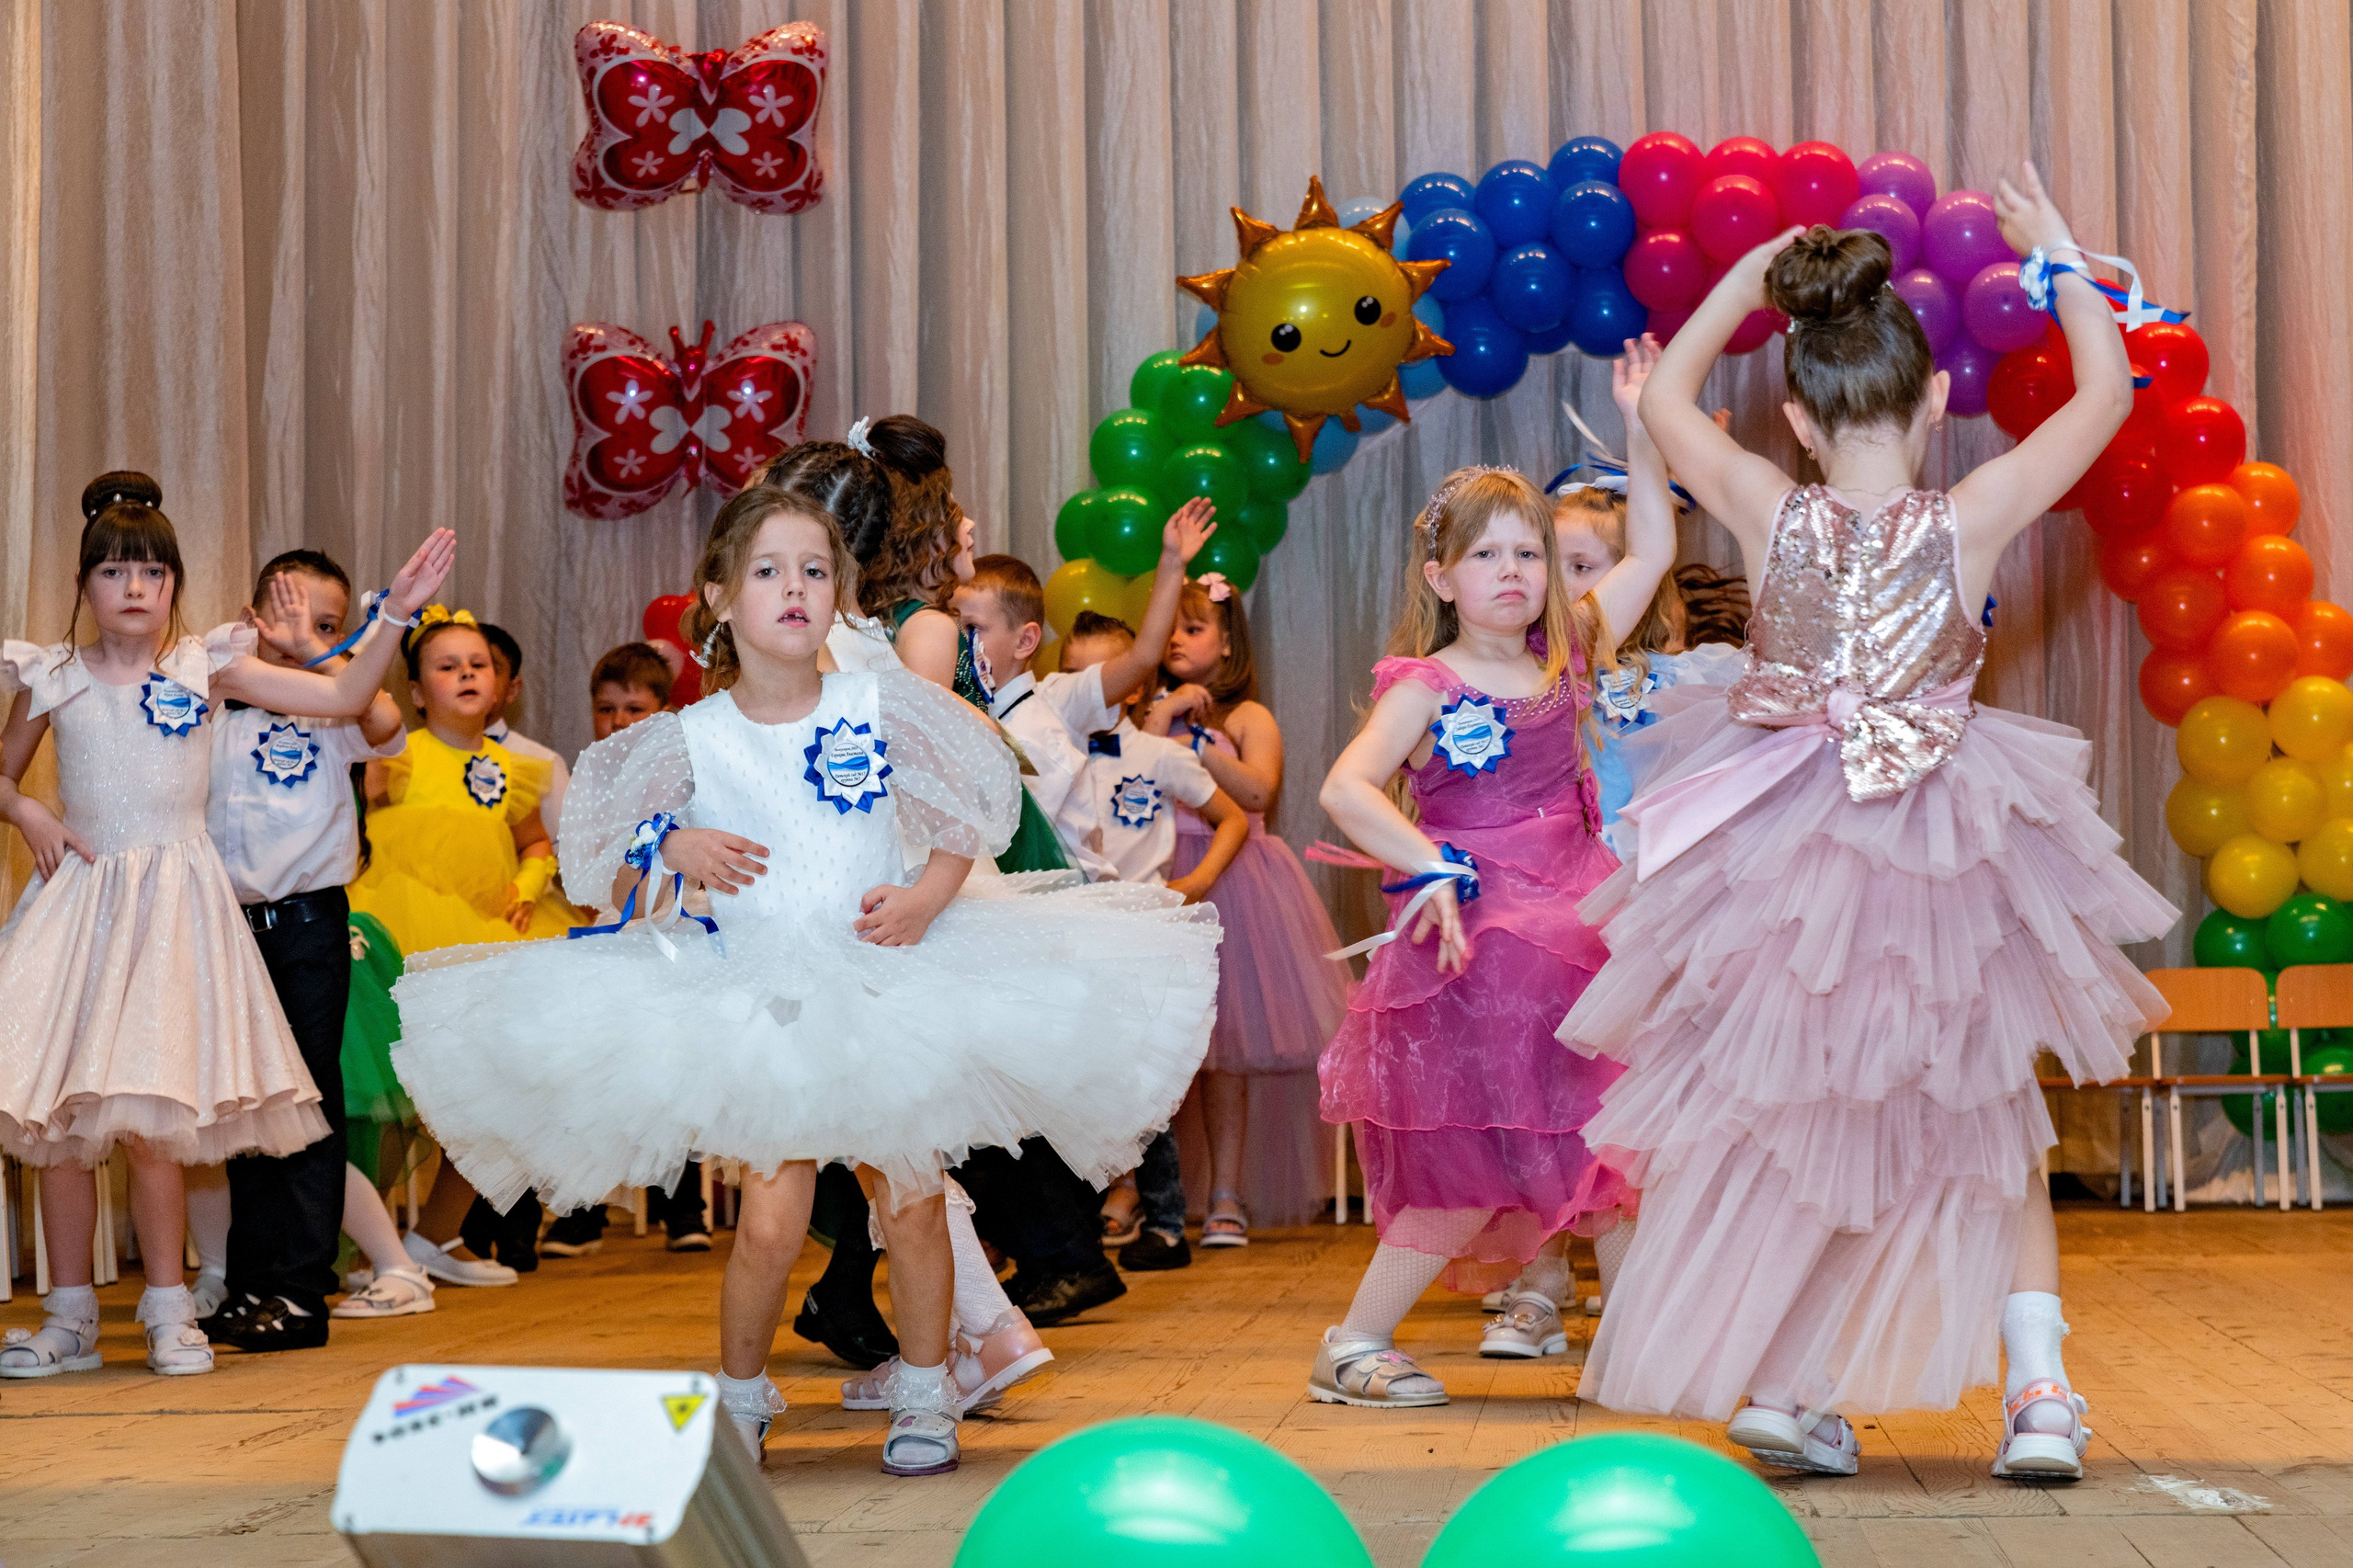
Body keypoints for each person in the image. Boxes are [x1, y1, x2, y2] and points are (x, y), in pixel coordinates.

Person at [385, 481, 1222, 1473]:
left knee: (910, 1199)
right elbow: (595, 851)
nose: (795, 588)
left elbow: (973, 811)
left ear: (839, 593)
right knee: (772, 1221)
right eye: (769, 570)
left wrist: (926, 895)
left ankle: (923, 1393)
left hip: (878, 984)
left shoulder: (879, 703)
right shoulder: (692, 734)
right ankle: (740, 1396)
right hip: (760, 996)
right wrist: (671, 841)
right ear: (721, 598)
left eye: (815, 571)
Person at [1561, 165, 2175, 1483]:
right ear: (1938, 397)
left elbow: (1665, 401)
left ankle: (1795, 1384)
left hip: (1785, 862)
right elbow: (2111, 394)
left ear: (1790, 412)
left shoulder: (1766, 506)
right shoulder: (1975, 513)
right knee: (1990, 1122)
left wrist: (1752, 271)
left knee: (1806, 1123)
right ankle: (2041, 1394)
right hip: (1951, 849)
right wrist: (2058, 251)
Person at [0, 472, 452, 1379]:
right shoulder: (50, 676)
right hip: (85, 904)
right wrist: (32, 814)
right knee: (61, 1121)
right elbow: (1, 774)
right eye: (114, 571)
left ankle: (170, 1307)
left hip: (174, 909)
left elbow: (341, 697)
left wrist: (393, 616)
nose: (135, 587)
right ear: (85, 584)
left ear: (174, 584)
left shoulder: (205, 667)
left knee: (158, 1117)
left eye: (153, 571)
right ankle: (71, 1316)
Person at [1308, 341, 1675, 1409]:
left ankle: (1633, 1354)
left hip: (1579, 921)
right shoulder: (1429, 680)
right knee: (1478, 1168)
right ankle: (1354, 1340)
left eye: (1531, 553)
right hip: (1493, 941)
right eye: (1488, 556)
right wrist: (1434, 865)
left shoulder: (1566, 655)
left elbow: (1647, 550)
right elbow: (1345, 790)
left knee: (1615, 1154)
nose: (1514, 572)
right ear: (1440, 578)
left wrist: (1643, 428)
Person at [197, 550, 415, 1349]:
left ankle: (298, 1291)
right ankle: (252, 1284)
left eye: (328, 624)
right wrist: (267, 642)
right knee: (246, 1107)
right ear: (251, 618)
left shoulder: (338, 702)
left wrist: (324, 651)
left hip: (310, 926)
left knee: (306, 1108)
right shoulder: (219, 682)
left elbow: (387, 725)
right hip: (226, 928)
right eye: (288, 616)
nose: (305, 634)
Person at [347, 607, 578, 1287]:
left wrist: (530, 886)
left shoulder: (514, 767)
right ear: (416, 692)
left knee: (502, 1091)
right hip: (403, 935)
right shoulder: (399, 754)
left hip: (488, 940)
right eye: (446, 667)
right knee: (393, 1096)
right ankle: (371, 1247)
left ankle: (436, 1235)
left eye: (477, 664)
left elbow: (534, 842)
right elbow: (357, 816)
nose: (466, 674)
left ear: (503, 683)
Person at [1136, 573, 1353, 1249]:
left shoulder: (1246, 718)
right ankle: (1146, 1195)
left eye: (1194, 627)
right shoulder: (1151, 711)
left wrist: (1197, 743)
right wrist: (1161, 720)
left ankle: (1226, 1189)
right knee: (1158, 1053)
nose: (1176, 638)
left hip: (1234, 883)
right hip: (1162, 877)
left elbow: (1258, 794)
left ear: (1228, 644)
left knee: (1226, 1052)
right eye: (1170, 626)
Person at [1060, 609, 1251, 1271]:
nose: (1088, 688)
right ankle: (1073, 1230)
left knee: (1148, 1085)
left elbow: (1233, 819)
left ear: (1135, 685)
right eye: (1072, 675)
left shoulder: (1160, 756)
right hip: (1073, 934)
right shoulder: (1049, 752)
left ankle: (1166, 1222)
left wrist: (1194, 881)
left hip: (1145, 933)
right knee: (1074, 1083)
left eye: (1104, 675)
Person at [542, 642, 713, 1259]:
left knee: (678, 1072)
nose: (617, 723)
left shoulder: (685, 772)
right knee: (597, 1073)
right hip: (617, 926)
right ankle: (581, 1209)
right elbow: (582, 860)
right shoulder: (593, 776)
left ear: (663, 711)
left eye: (633, 709)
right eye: (606, 709)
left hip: (676, 928)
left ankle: (683, 1206)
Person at [952, 539, 1212, 886]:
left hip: (1070, 898)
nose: (956, 640)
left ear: (1025, 641)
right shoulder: (960, 709)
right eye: (951, 625)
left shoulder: (1055, 701)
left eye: (972, 629)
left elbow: (1143, 657)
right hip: (1016, 891)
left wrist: (1171, 562)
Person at [478, 621, 571, 833]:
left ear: (513, 689)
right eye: (451, 666)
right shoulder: (413, 755)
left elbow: (564, 854)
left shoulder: (544, 764)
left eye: (488, 666)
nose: (473, 677)